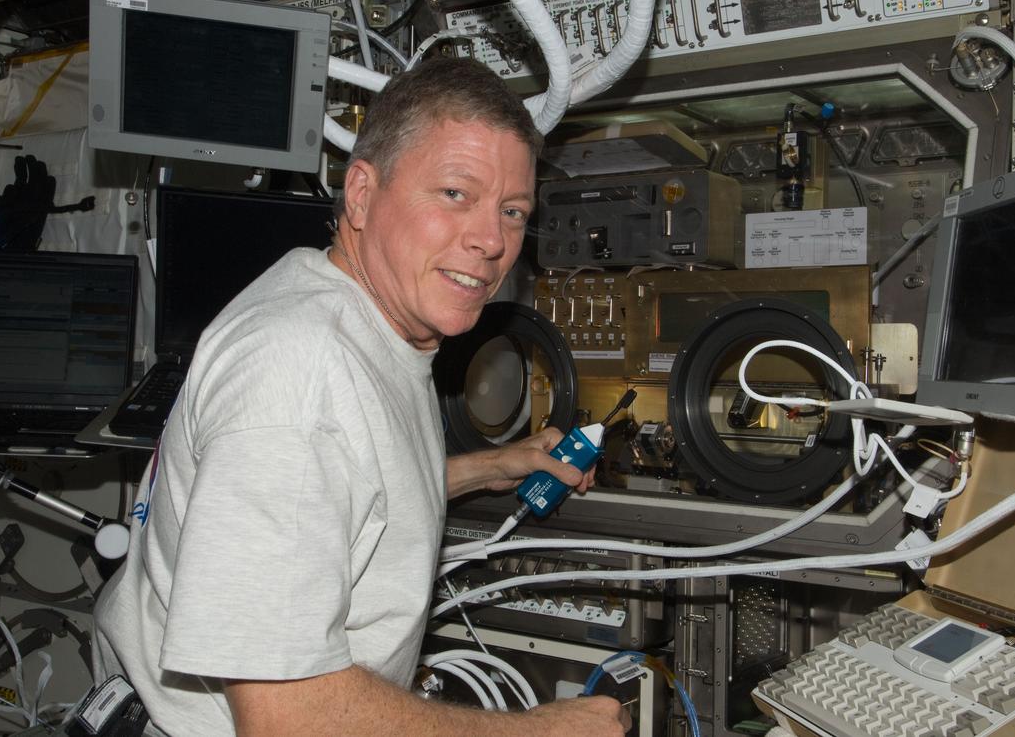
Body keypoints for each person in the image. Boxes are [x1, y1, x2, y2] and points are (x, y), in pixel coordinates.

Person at [93, 58, 630, 737]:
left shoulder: (357, 320)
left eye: (512, 211)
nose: (492, 240)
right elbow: (288, 718)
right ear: (361, 194)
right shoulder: (299, 368)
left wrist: (491, 466)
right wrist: (538, 733)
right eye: (455, 193)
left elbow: (343, 490)